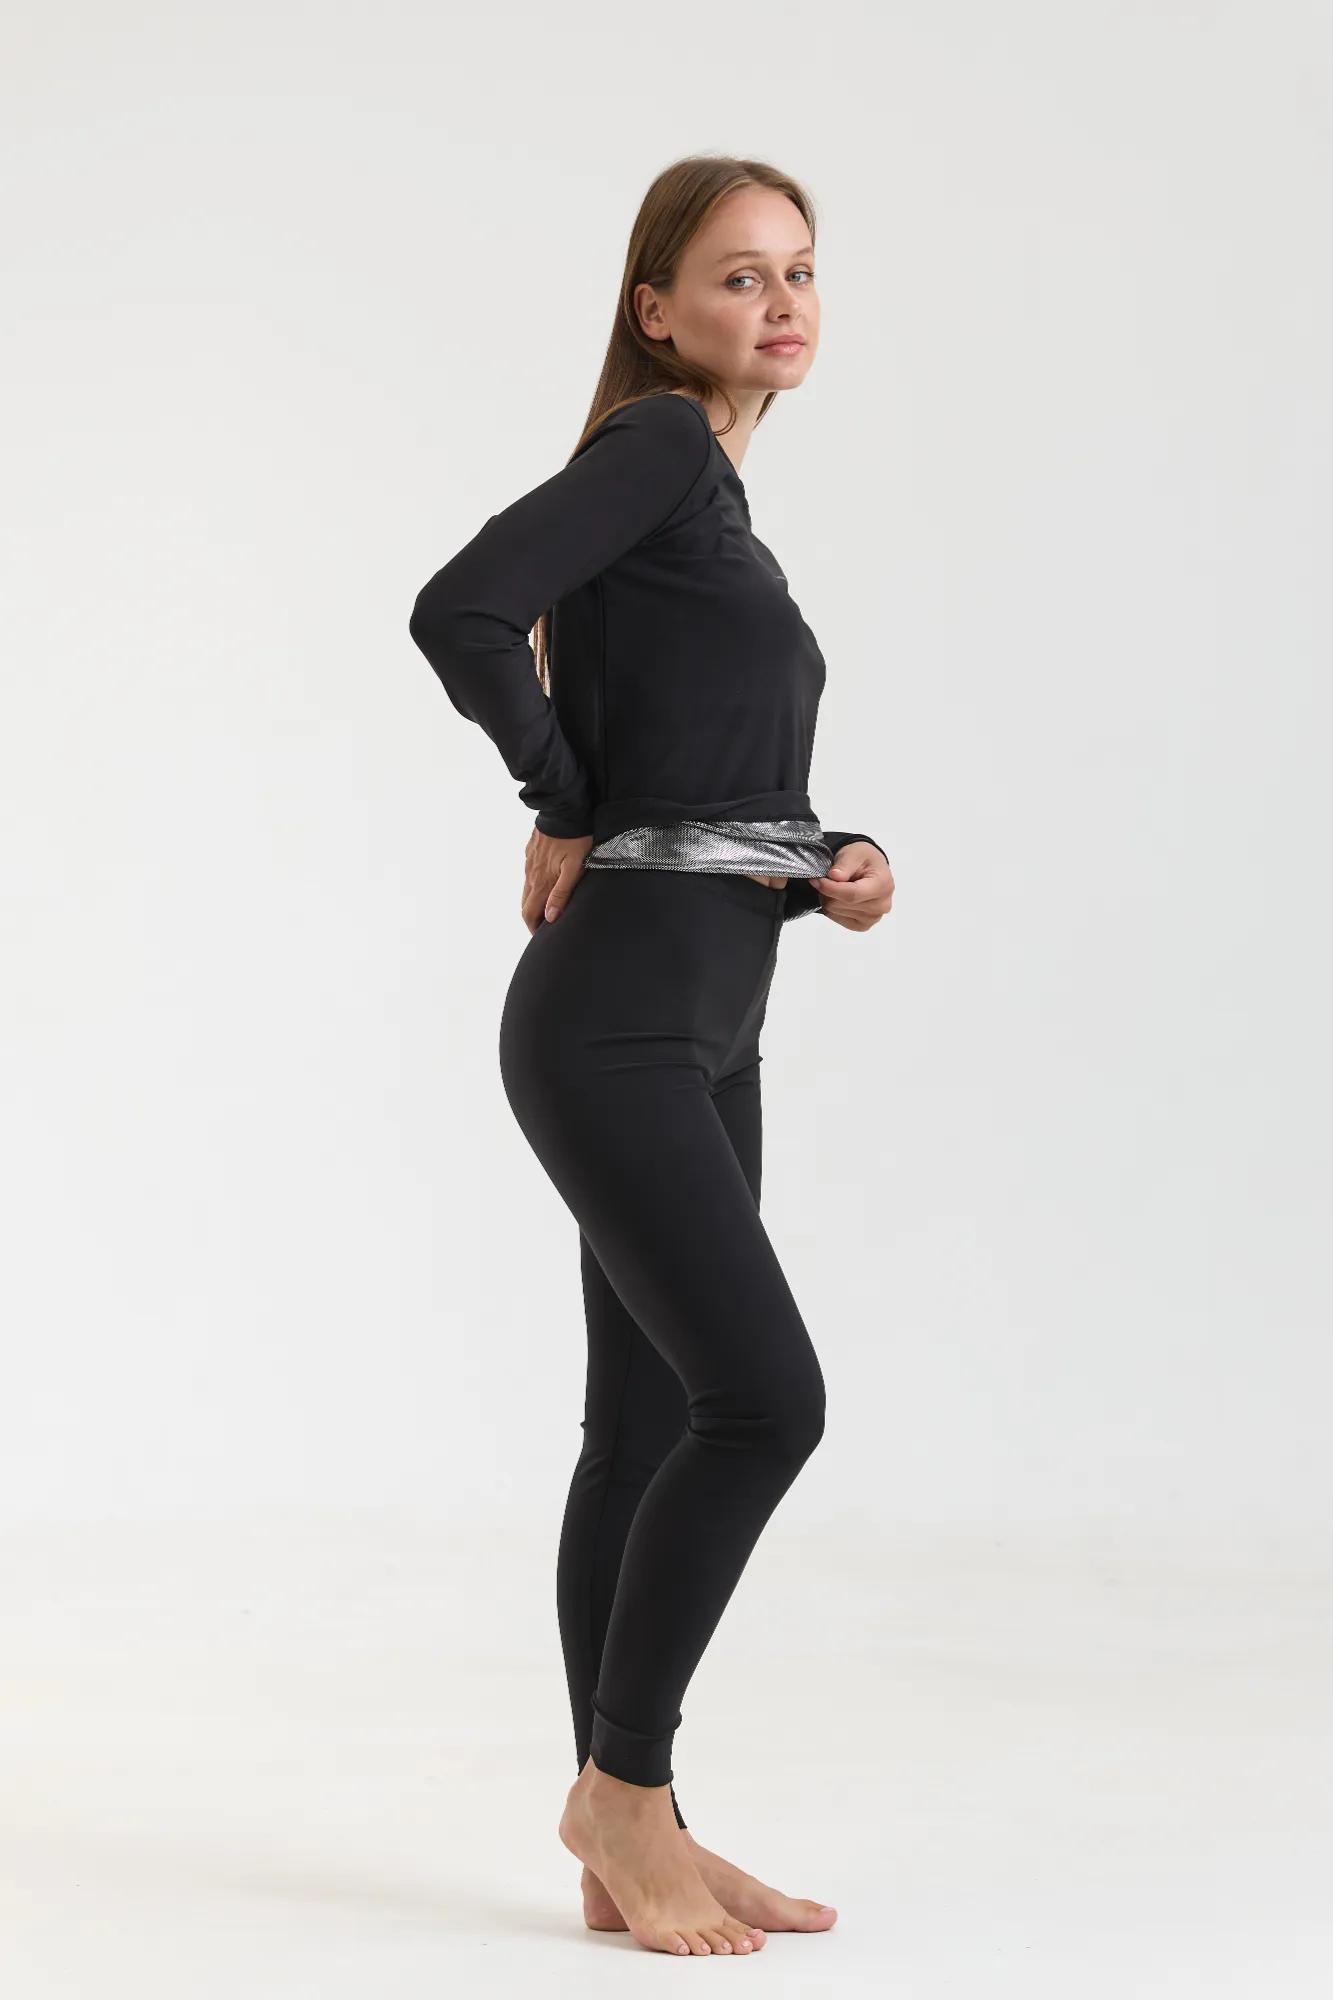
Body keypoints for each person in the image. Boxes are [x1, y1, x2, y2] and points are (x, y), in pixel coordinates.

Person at [408, 155, 895, 1959]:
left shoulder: (712, 511)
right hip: (616, 1017)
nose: (781, 301)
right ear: (658, 311)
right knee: (766, 1402)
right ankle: (620, 1785)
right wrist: (563, 797)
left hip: (707, 1014)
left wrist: (831, 859)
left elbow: (702, 782)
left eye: (801, 271)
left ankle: (636, 1833)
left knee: (647, 1420)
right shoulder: (665, 449)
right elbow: (461, 606)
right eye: (739, 275)